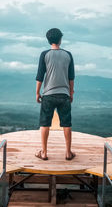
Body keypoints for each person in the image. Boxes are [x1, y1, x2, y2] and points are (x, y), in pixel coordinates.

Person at [35, 28, 75, 161]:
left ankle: (44, 153)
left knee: (45, 124)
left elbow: (40, 76)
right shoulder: (68, 54)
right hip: (64, 95)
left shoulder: (44, 54)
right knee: (66, 124)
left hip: (48, 95)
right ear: (60, 39)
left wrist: (37, 92)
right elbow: (71, 77)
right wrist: (71, 93)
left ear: (48, 40)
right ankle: (68, 153)